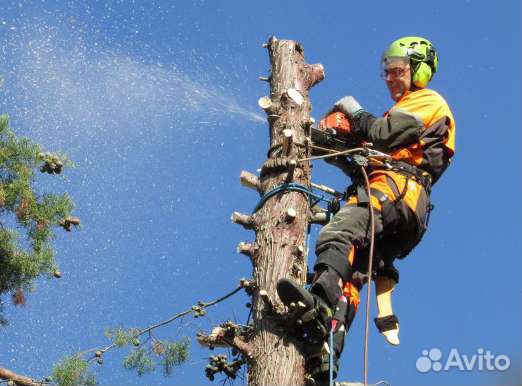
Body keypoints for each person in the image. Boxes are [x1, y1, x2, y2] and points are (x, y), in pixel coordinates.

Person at [277, 36, 456, 382]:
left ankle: (320, 307)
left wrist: (354, 112)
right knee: (351, 276)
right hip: (402, 207)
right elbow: (371, 153)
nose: (389, 78)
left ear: (418, 71)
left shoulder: (426, 101)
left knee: (339, 231)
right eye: (386, 73)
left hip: (396, 193)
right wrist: (330, 142)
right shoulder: (409, 111)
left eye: (397, 71)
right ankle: (324, 355)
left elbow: (382, 134)